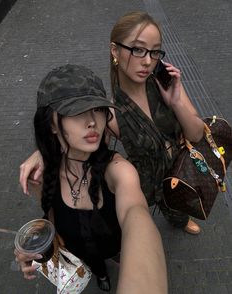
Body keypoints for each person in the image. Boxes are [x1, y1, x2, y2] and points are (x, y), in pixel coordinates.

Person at [20, 12, 204, 235]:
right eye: (138, 49)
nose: (147, 61)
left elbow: (196, 135)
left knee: (177, 206)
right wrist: (40, 152)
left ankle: (179, 220)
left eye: (154, 51)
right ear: (115, 50)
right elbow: (74, 137)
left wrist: (176, 102)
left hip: (180, 169)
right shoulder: (108, 110)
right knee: (137, 217)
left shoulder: (166, 84)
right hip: (144, 182)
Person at [15, 64, 168, 294]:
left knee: (113, 254)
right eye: (76, 112)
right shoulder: (43, 175)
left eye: (98, 109)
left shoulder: (118, 170)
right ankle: (102, 275)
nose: (92, 121)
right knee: (98, 269)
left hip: (112, 246)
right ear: (52, 124)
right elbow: (51, 220)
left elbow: (136, 214)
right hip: (80, 253)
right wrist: (35, 245)